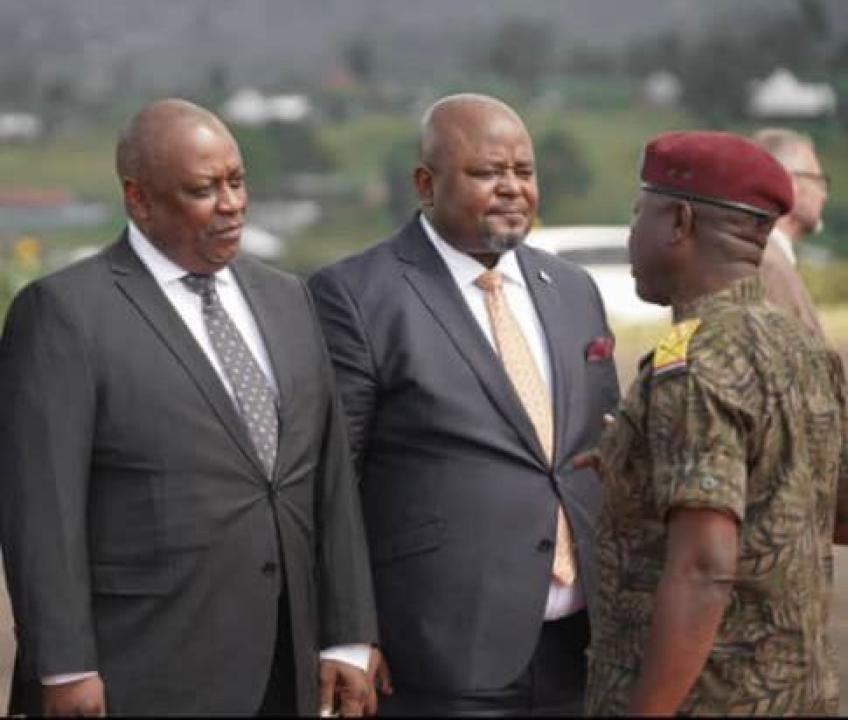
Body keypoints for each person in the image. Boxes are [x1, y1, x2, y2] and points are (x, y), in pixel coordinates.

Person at [0, 98, 378, 717]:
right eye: (204, 190)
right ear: (139, 199)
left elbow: (329, 476)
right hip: (144, 668)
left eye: (237, 181)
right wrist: (64, 666)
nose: (231, 204)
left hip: (287, 665)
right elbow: (42, 511)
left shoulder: (288, 298)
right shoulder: (64, 314)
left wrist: (348, 636)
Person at [308, 93, 619, 716]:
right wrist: (347, 632)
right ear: (426, 185)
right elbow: (333, 480)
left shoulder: (573, 289)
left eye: (524, 171)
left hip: (583, 645)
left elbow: (603, 448)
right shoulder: (355, 295)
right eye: (487, 172)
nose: (512, 188)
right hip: (438, 650)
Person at [583, 130, 848, 716]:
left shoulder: (693, 361)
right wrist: (636, 471)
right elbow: (832, 509)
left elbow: (703, 569)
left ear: (679, 222)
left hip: (705, 700)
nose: (631, 235)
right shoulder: (802, 347)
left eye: (638, 215)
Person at [751, 127, 829, 338]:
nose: (823, 195)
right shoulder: (768, 265)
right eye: (818, 181)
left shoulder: (763, 257)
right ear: (788, 184)